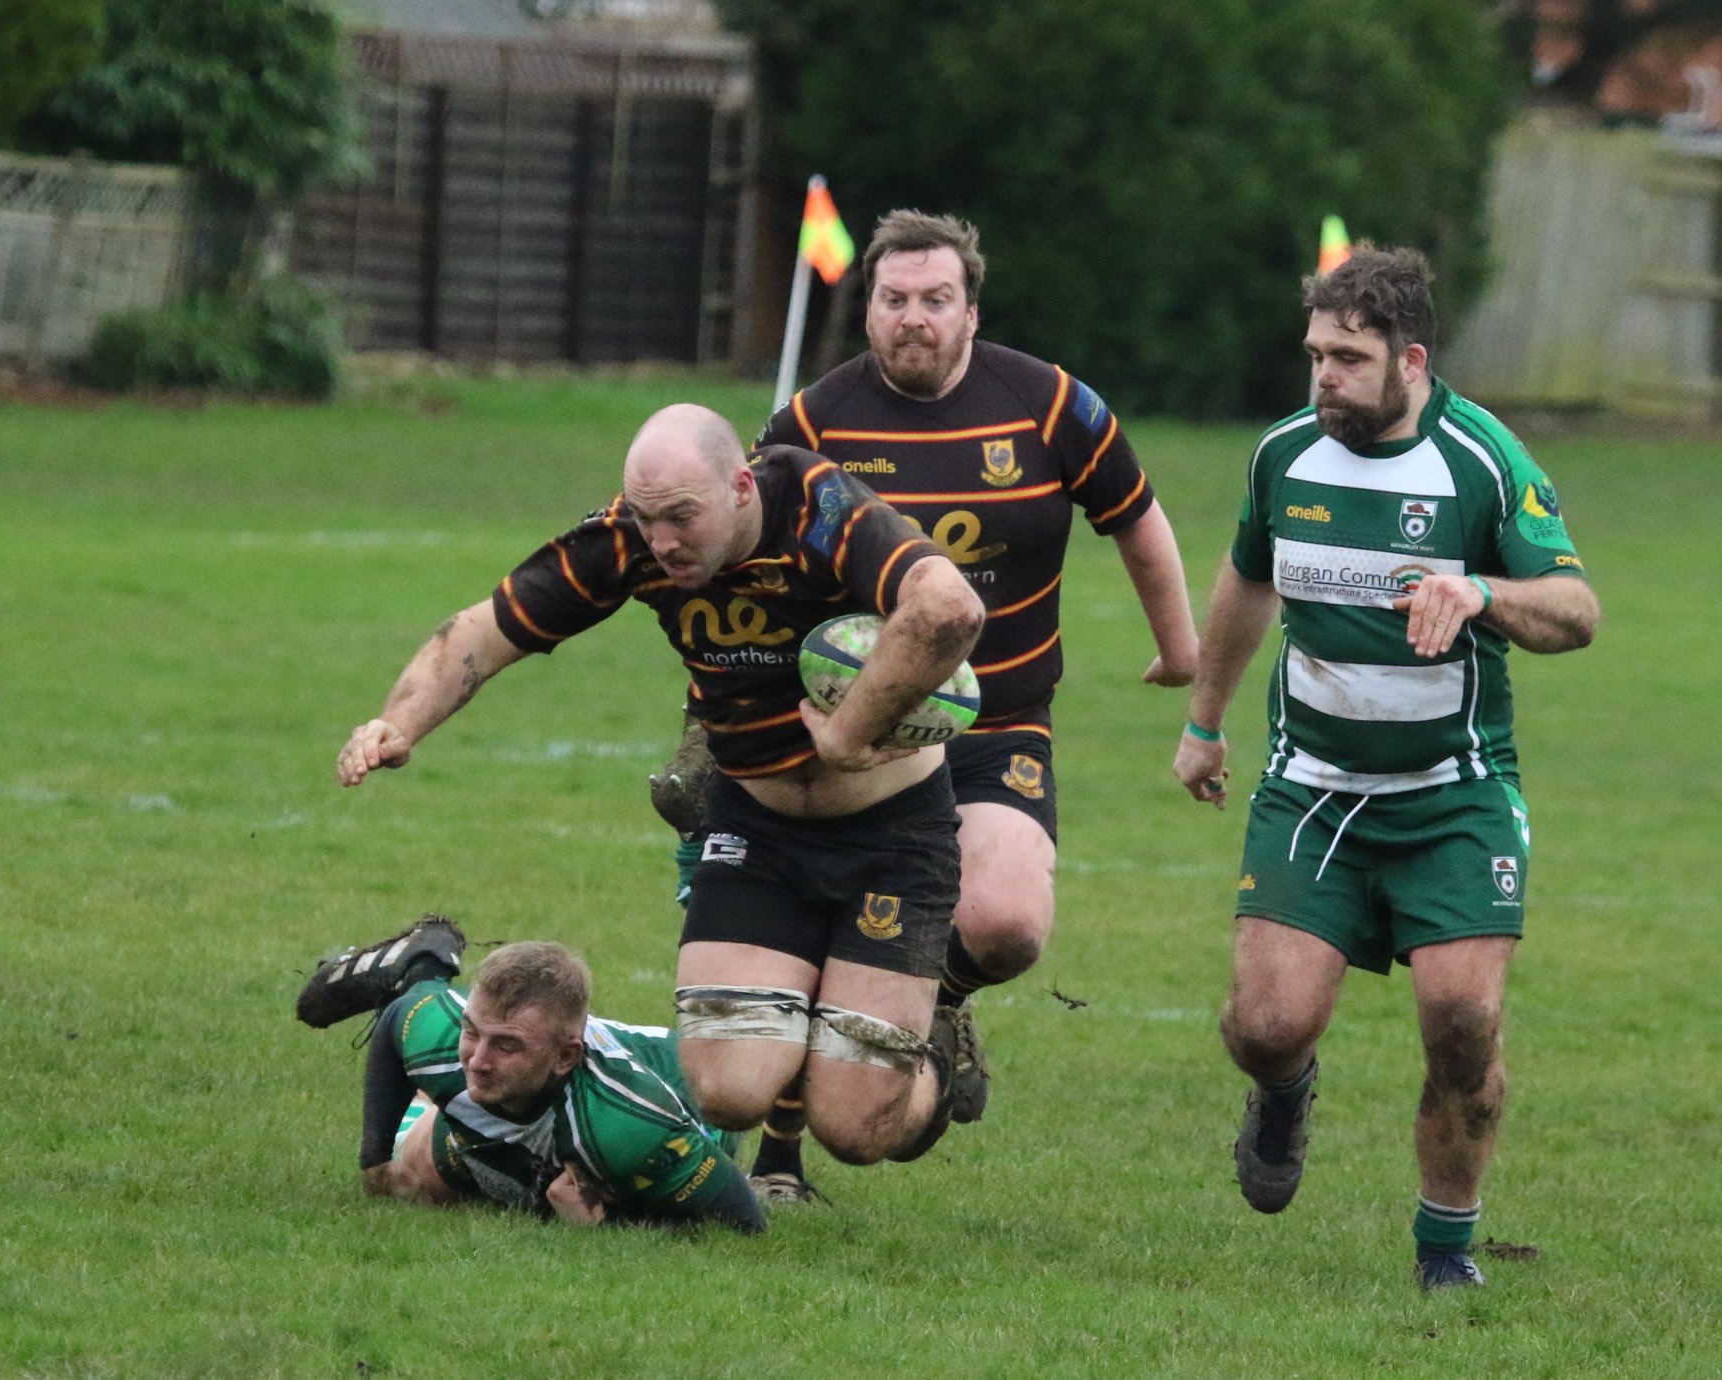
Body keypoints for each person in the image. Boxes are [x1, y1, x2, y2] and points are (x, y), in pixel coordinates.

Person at [694, 210, 1199, 1199]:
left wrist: (1180, 653)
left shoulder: (1049, 405)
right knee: (812, 941)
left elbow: (1134, 517)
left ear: (971, 311)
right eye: (894, 300)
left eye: (934, 300)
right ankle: (781, 1157)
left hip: (997, 724)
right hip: (856, 735)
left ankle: (937, 1001)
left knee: (1007, 922)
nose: (913, 318)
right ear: (868, 310)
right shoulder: (810, 425)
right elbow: (742, 570)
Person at [339, 403, 987, 1169]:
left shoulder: (825, 513)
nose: (662, 541)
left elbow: (950, 607)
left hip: (891, 837)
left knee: (854, 1128)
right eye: (648, 520)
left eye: (682, 517)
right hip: (756, 827)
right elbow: (484, 630)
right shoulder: (633, 538)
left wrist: (847, 733)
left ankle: (936, 1045)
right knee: (728, 1095)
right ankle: (838, 1013)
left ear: (741, 487)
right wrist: (398, 723)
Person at [1172, 246, 1598, 1288]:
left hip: (1453, 795)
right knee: (1264, 1027)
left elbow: (1576, 611)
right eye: (1316, 355)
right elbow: (1247, 578)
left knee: (1462, 1024)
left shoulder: (1482, 459)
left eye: (1349, 359)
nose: (1325, 377)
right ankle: (1283, 1088)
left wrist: (1482, 593)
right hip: (1311, 788)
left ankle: (1444, 1250)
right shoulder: (1284, 456)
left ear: (1410, 361)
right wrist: (1204, 720)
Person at [324, 919, 765, 1232]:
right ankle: (425, 966)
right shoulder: (439, 1032)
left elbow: (743, 1221)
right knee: (419, 1177)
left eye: (506, 1045)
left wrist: (607, 1222)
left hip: (679, 1087)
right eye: (472, 1032)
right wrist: (374, 1161)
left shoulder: (629, 1128)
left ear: (565, 1057)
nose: (477, 1060)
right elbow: (398, 1017)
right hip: (536, 1100)